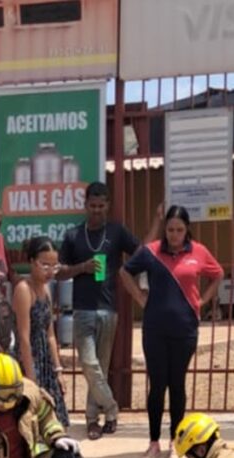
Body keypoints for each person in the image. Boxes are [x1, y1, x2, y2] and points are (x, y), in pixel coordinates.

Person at [120, 205, 224, 458]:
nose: (174, 235)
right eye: (170, 230)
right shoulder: (152, 252)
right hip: (155, 330)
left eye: (179, 230)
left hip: (185, 330)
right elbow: (124, 272)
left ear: (187, 229)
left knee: (177, 385)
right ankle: (153, 442)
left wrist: (203, 300)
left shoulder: (198, 251)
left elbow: (217, 274)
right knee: (157, 386)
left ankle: (176, 442)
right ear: (164, 229)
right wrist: (139, 296)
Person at [57, 181, 139, 440]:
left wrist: (129, 275)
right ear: (85, 205)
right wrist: (82, 267)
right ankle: (112, 408)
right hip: (82, 310)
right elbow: (59, 272)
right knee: (89, 364)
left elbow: (140, 252)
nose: (96, 210)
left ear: (107, 205)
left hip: (108, 310)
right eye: (92, 206)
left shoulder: (116, 232)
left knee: (100, 368)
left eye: (101, 206)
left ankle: (93, 419)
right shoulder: (73, 235)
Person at [14, 236, 69, 427]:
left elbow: (51, 334)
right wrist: (31, 378)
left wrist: (58, 370)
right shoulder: (23, 289)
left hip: (46, 361)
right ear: (31, 261)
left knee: (54, 419)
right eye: (45, 266)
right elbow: (23, 337)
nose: (50, 272)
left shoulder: (46, 290)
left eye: (54, 266)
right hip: (29, 359)